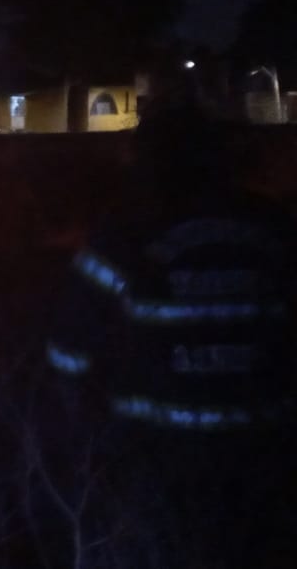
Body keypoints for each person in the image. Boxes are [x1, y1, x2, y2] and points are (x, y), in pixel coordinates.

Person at [43, 78, 296, 565]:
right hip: (263, 446)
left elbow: (69, 348)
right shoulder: (273, 226)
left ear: (147, 158)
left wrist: (81, 424)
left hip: (156, 454)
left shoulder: (124, 234)